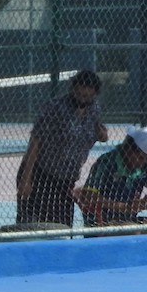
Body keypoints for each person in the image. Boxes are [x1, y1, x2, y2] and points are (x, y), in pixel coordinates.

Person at [16, 70, 108, 227]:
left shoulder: (94, 109)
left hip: (67, 178)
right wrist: (26, 179)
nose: (82, 100)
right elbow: (35, 143)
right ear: (72, 89)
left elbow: (98, 132)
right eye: (78, 94)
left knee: (62, 226)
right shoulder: (55, 108)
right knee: (33, 224)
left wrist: (102, 134)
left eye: (87, 97)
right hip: (41, 173)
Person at [75, 127, 147, 228]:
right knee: (134, 231)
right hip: (101, 219)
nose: (142, 162)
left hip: (128, 218)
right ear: (129, 149)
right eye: (140, 158)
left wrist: (143, 203)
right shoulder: (107, 162)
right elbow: (88, 196)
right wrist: (123, 207)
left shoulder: (143, 166)